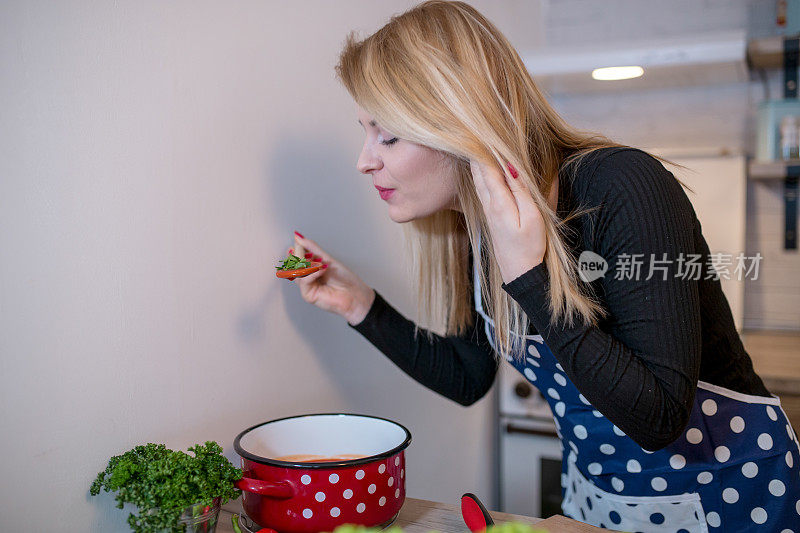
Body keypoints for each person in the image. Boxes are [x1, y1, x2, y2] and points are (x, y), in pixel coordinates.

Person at [285, 1, 800, 530]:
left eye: (387, 135)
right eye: (365, 132)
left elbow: (660, 416)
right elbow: (468, 376)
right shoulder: (479, 228)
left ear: (459, 123)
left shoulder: (622, 187)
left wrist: (530, 277)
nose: (365, 159)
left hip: (731, 496)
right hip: (601, 501)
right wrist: (360, 306)